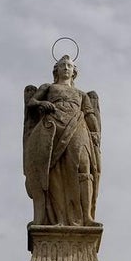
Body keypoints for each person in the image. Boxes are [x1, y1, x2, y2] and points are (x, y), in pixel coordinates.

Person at [23, 55, 101, 226]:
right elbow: (32, 102)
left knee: (83, 166)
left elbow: (89, 114)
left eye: (69, 66)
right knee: (55, 172)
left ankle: (86, 217)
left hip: (77, 125)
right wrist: (41, 104)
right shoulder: (48, 87)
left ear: (74, 72)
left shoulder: (81, 94)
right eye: (62, 65)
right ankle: (58, 218)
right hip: (52, 126)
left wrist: (95, 132)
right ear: (56, 70)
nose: (66, 68)